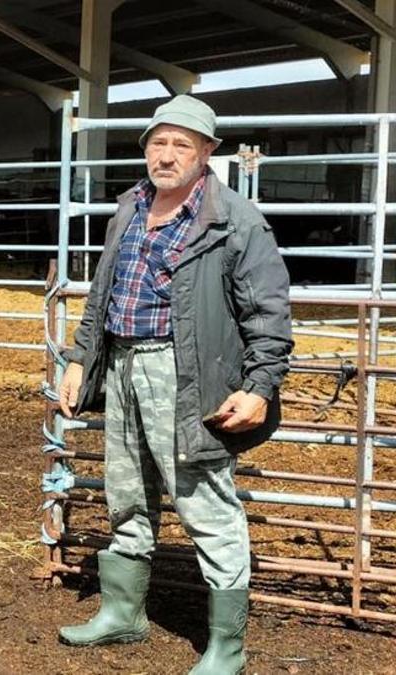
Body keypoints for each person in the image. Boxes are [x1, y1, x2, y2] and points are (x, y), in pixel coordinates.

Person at [56, 94, 293, 675]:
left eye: (181, 144)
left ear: (208, 152)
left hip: (187, 374)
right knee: (126, 492)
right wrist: (81, 358)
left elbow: (269, 315)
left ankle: (226, 647)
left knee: (205, 501)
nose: (167, 155)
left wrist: (260, 385)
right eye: (158, 143)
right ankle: (123, 613)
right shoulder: (129, 209)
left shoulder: (235, 221)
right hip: (123, 367)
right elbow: (103, 294)